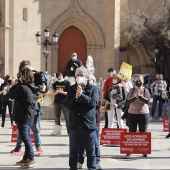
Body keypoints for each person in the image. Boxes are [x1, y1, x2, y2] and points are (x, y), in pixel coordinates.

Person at [64, 66, 99, 170]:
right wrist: (75, 97)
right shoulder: (71, 89)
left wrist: (82, 96)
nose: (79, 77)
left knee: (91, 152)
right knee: (73, 152)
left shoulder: (93, 88)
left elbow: (94, 103)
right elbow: (67, 105)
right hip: (75, 126)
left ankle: (92, 168)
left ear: (87, 77)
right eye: (77, 75)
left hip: (89, 126)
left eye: (81, 75)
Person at [10, 60, 45, 153]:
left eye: (27, 69)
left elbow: (41, 90)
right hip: (22, 106)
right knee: (21, 127)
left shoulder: (36, 76)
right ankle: (18, 146)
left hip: (33, 105)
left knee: (34, 127)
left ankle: (38, 146)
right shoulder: (21, 79)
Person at [9, 68, 39, 168]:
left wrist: (14, 85)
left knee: (25, 137)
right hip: (28, 116)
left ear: (24, 76)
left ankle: (31, 158)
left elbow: (11, 95)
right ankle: (26, 158)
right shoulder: (32, 87)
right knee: (25, 136)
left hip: (23, 117)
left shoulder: (22, 88)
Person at [77, 74, 102, 170]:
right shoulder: (80, 89)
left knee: (94, 143)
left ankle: (97, 161)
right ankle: (81, 160)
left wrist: (83, 97)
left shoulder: (97, 90)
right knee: (81, 143)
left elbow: (97, 104)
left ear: (93, 80)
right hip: (83, 121)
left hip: (95, 120)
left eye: (89, 79)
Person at [126, 75, 150, 157]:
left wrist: (140, 96)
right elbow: (128, 101)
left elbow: (147, 101)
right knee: (131, 132)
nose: (138, 81)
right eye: (136, 80)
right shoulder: (132, 90)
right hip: (132, 113)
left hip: (143, 114)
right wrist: (135, 97)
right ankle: (130, 150)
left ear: (143, 81)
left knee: (143, 132)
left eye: (140, 80)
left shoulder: (145, 90)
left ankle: (144, 150)